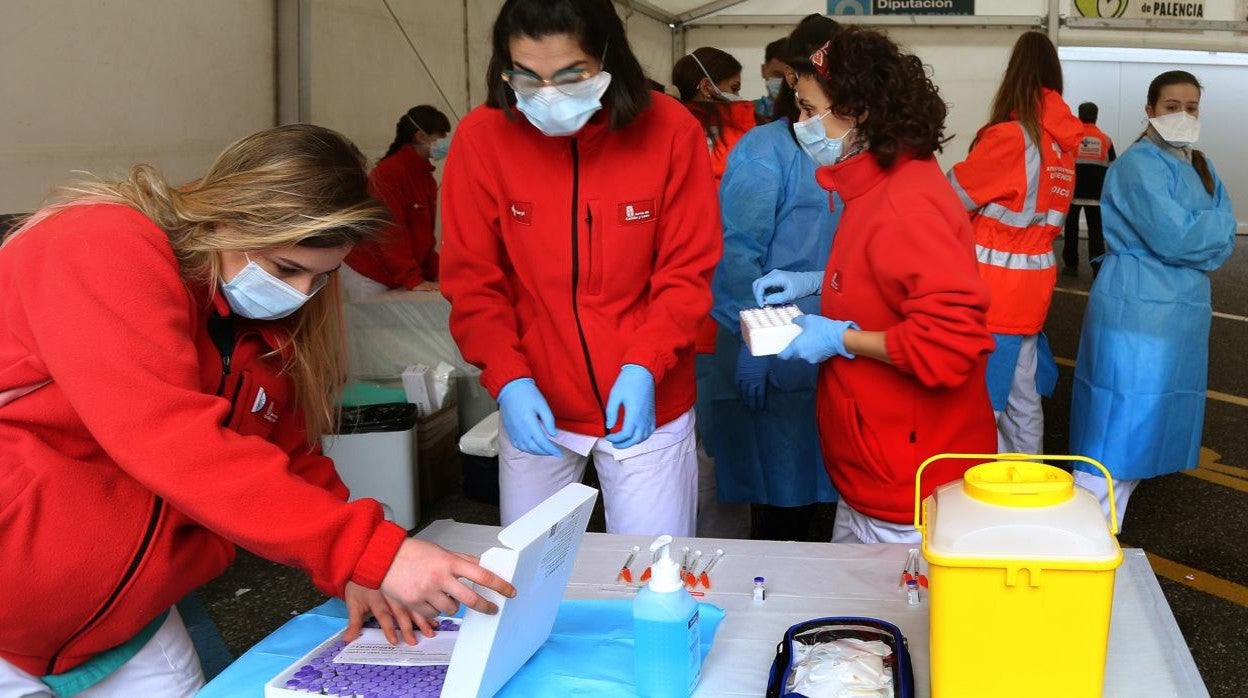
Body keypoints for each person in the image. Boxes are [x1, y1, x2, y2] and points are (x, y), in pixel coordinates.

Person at [0, 124, 514, 697]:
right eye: (285, 269)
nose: (300, 293)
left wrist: (355, 564)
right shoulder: (99, 244)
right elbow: (171, 440)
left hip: (128, 620)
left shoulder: (260, 330)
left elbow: (289, 456)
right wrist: (372, 551)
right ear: (227, 215)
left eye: (322, 278)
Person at [439, 0, 720, 538]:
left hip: (646, 397)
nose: (548, 93)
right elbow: (473, 281)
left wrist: (646, 364)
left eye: (570, 75)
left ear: (609, 58)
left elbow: (686, 271)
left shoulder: (670, 131)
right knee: (531, 574)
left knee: (652, 575)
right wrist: (510, 380)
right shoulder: (482, 138)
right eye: (527, 76)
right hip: (536, 396)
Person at [753, 28, 996, 544]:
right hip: (882, 464)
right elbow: (894, 275)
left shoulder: (904, 203)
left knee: (885, 622)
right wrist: (815, 281)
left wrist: (839, 338)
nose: (801, 124)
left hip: (907, 476)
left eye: (808, 109)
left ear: (858, 110)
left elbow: (949, 345)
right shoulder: (880, 183)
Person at [1069, 70, 1236, 527]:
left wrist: (1207, 233)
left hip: (1179, 313)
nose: (1182, 115)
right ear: (1149, 110)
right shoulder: (1139, 164)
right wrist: (1208, 232)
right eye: (1171, 106)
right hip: (1136, 305)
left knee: (1150, 420)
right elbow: (1178, 237)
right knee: (1118, 423)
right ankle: (1083, 539)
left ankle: (1101, 535)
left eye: (1191, 107)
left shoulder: (1198, 163)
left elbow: (1224, 233)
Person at [697, 21, 842, 542]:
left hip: (841, 342)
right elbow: (737, 255)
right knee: (778, 498)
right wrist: (753, 342)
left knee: (833, 494)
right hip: (774, 346)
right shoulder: (767, 150)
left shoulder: (853, 153)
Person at [947, 31, 1083, 454]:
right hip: (1032, 286)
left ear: (1013, 75)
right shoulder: (1062, 145)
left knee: (980, 405)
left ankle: (978, 495)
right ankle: (1027, 491)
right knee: (1023, 399)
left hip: (990, 288)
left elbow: (949, 199)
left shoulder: (1010, 137)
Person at [341, 105, 451, 300]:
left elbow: (423, 236)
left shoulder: (424, 177)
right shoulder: (390, 174)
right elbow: (390, 231)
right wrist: (412, 278)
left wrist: (438, 272)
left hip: (396, 271)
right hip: (371, 273)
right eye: (440, 136)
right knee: (371, 328)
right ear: (420, 136)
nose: (445, 142)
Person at [671, 46, 757, 185]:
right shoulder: (741, 130)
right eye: (734, 88)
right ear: (706, 88)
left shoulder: (669, 128)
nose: (738, 97)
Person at [1062, 101, 1116, 277]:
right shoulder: (1106, 140)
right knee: (1095, 231)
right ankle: (1097, 267)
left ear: (1079, 115)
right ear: (1096, 116)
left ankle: (1071, 266)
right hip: (1096, 195)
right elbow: (1112, 167)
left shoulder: (1070, 138)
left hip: (1072, 194)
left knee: (1071, 230)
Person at [754, 37, 790, 122]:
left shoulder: (807, 114)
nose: (783, 82)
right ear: (763, 70)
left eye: (789, 76)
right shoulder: (748, 111)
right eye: (778, 75)